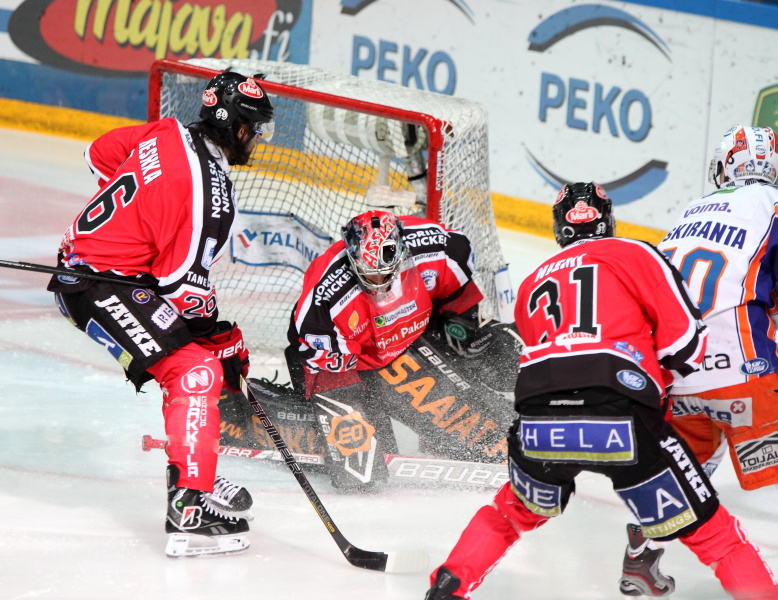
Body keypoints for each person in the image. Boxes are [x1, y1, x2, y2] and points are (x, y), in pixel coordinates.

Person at [424, 182, 778, 600]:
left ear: (560, 229)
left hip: (538, 422)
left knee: (509, 513)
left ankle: (446, 590)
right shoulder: (636, 252)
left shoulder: (530, 285)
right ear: (608, 219)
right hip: (620, 416)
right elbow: (684, 345)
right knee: (716, 538)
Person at [46, 70, 275, 557]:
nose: (256, 138)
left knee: (192, 362)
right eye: (255, 128)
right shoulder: (209, 197)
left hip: (101, 270)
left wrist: (137, 226)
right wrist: (219, 336)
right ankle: (189, 508)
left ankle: (196, 472)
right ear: (236, 129)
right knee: (195, 368)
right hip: (98, 284)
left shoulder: (167, 130)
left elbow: (98, 154)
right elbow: (185, 289)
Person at [619, 124, 778, 594]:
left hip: (673, 377)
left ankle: (639, 560)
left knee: (688, 472)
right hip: (744, 374)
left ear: (726, 164)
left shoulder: (687, 214)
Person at [285, 209, 516, 490]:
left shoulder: (440, 249)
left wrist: (463, 330)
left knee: (504, 357)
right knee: (361, 474)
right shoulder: (324, 301)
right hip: (353, 364)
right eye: (369, 276)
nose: (378, 284)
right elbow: (323, 367)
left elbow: (457, 293)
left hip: (410, 339)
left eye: (385, 276)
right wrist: (360, 417)